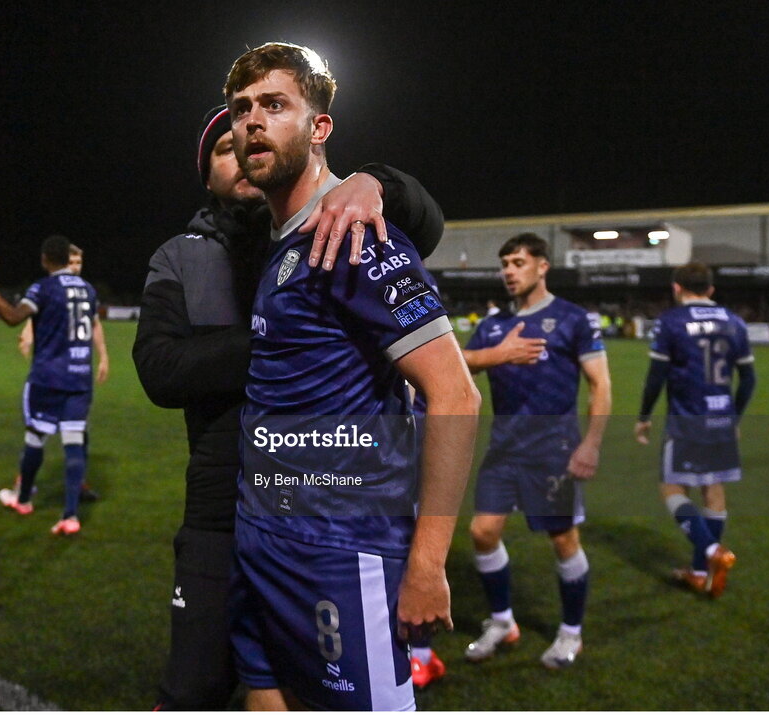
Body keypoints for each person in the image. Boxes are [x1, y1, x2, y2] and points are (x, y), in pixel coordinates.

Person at [133, 94, 448, 707]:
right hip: (223, 510)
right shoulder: (181, 255)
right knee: (199, 687)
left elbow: (429, 225)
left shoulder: (332, 226)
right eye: (225, 147)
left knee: (314, 686)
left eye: (256, 133)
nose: (246, 146)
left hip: (329, 513)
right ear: (209, 175)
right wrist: (279, 341)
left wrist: (372, 182)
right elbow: (160, 370)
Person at [223, 41, 481, 710]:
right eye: (242, 108)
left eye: (275, 105)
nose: (253, 120)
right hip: (263, 536)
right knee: (264, 692)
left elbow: (454, 392)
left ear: (319, 127)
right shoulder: (280, 241)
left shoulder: (354, 233)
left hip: (341, 550)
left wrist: (427, 563)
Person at [462, 233, 612, 669]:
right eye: (505, 263)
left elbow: (600, 385)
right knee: (482, 532)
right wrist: (499, 353)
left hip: (554, 449)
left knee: (563, 538)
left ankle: (571, 633)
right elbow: (458, 363)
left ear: (543, 266)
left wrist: (591, 444)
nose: (509, 270)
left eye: (518, 262)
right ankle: (503, 621)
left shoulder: (573, 319)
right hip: (504, 447)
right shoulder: (492, 325)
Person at [634, 262, 754, 597]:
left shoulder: (672, 322)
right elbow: (748, 380)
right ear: (711, 289)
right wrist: (734, 418)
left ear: (676, 288)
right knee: (713, 491)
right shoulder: (735, 322)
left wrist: (644, 415)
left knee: (671, 488)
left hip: (687, 419)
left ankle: (712, 552)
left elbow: (656, 376)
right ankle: (702, 573)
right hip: (720, 420)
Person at [0, 235, 105, 535]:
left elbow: (11, 317)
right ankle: (70, 516)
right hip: (79, 377)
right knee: (74, 442)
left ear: (45, 259)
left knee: (35, 437)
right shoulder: (87, 289)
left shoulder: (43, 287)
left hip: (48, 377)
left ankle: (22, 500)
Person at [19, 243, 108, 502]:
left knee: (77, 433)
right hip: (57, 374)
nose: (75, 268)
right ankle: (25, 481)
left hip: (74, 375)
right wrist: (27, 335)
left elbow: (95, 324)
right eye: (72, 262)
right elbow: (35, 319)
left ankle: (75, 485)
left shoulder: (84, 292)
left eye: (79, 263)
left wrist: (103, 357)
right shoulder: (55, 292)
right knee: (39, 432)